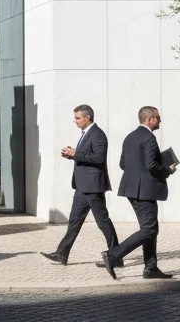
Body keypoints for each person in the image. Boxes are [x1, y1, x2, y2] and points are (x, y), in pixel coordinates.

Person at [101, 106, 178, 280]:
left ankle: (150, 268)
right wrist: (167, 170)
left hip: (131, 189)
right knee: (149, 229)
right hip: (145, 191)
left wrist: (138, 172)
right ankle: (113, 255)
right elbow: (152, 165)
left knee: (150, 229)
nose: (159, 121)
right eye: (157, 118)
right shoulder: (149, 138)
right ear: (149, 119)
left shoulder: (129, 137)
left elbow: (123, 164)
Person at [40, 105, 119, 267]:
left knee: (103, 222)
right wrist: (72, 155)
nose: (75, 121)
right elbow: (86, 157)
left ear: (87, 117)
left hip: (93, 187)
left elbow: (99, 158)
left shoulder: (97, 134)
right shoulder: (86, 134)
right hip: (82, 187)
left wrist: (76, 154)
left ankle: (116, 256)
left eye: (77, 118)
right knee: (74, 222)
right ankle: (62, 254)